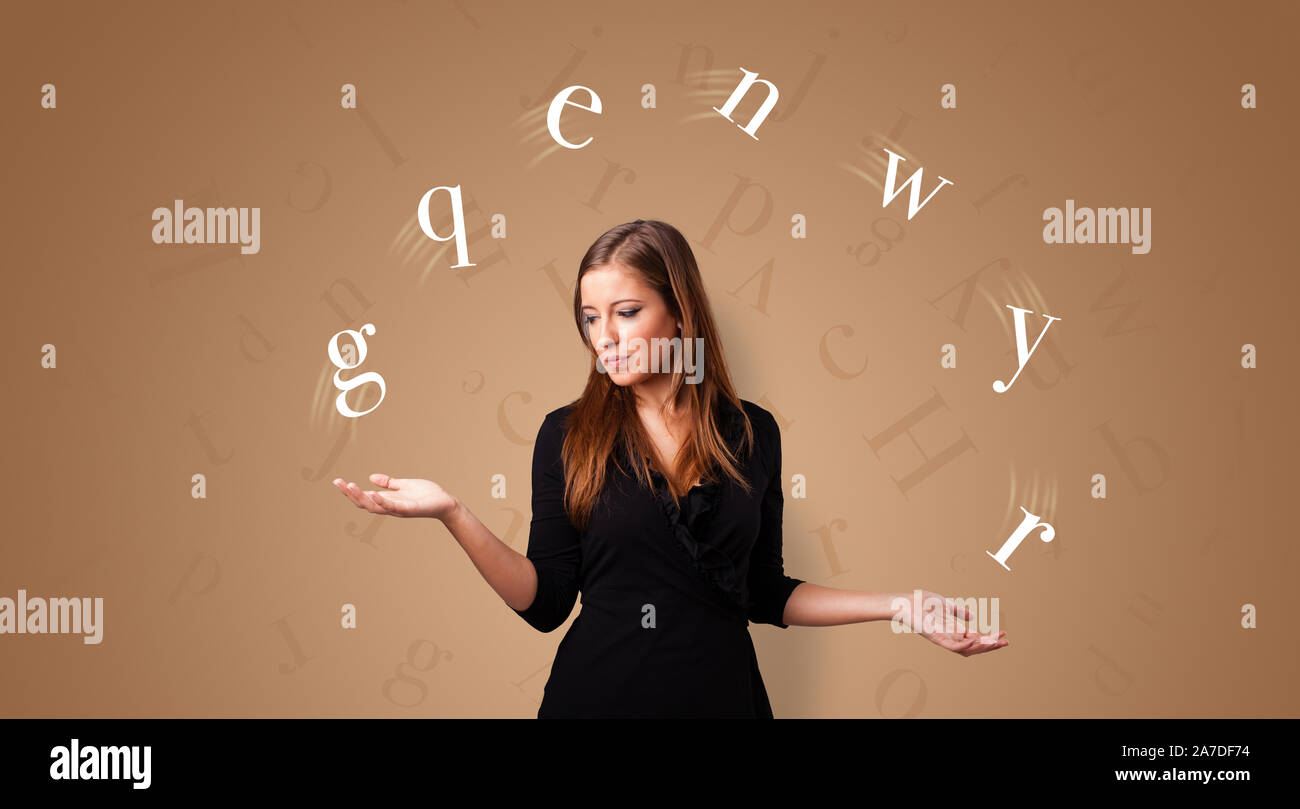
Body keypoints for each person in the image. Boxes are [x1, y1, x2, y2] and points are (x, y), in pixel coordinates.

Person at [333, 219, 1008, 718]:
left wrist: (903, 606)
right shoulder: (565, 436)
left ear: (680, 312)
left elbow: (762, 593)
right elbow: (544, 604)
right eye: (591, 317)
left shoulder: (752, 433)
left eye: (627, 312)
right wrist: (454, 513)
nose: (607, 336)